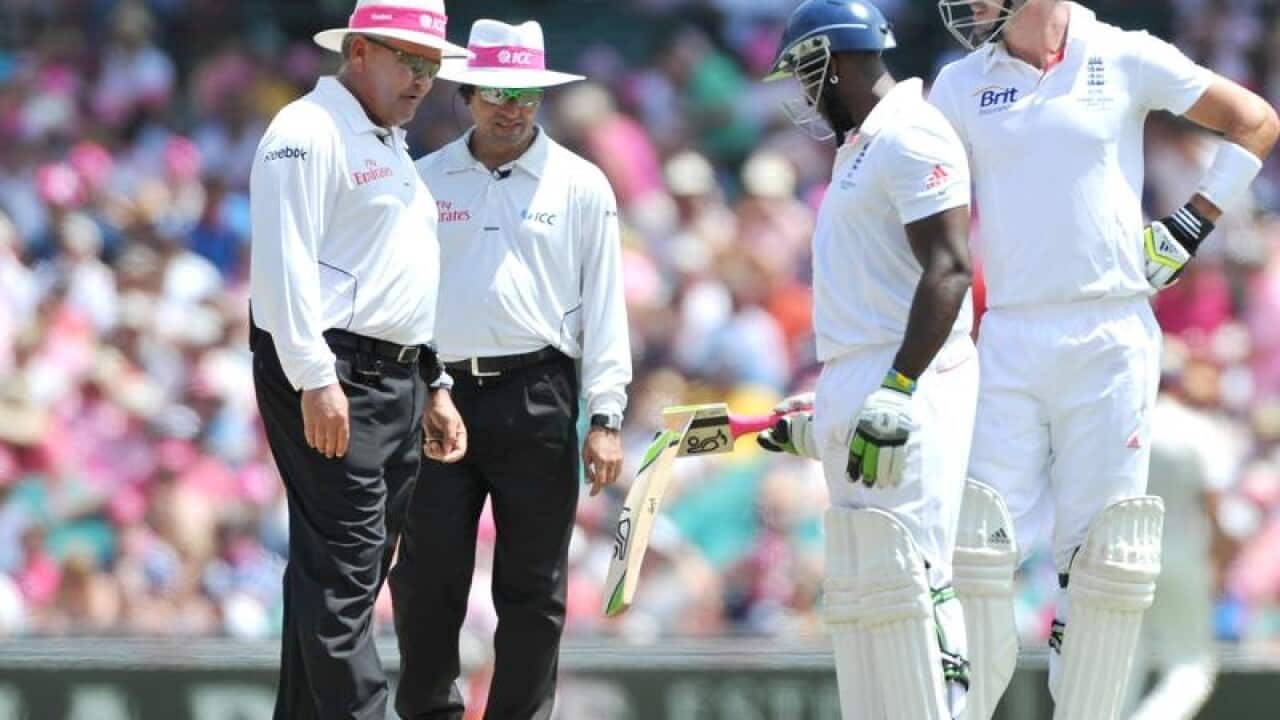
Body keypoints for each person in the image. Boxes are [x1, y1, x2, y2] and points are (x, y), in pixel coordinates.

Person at [929, 2, 1280, 718]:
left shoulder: (1123, 54)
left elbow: (1256, 121)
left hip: (1110, 331)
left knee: (1103, 564)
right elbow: (918, 206)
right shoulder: (959, 85)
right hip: (1008, 337)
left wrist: (1188, 225)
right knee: (977, 545)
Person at [388, 19, 632, 720]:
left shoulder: (581, 186)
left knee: (533, 588)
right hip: (440, 397)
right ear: (466, 92)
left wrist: (607, 415)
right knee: (427, 579)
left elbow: (603, 307)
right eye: (498, 90)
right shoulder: (423, 180)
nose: (512, 107)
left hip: (539, 392)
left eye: (527, 93)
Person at [247, 1, 470, 717]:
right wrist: (315, 378)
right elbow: (280, 270)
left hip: (394, 375)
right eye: (410, 60)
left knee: (348, 571)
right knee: (345, 569)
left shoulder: (385, 139)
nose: (423, 80)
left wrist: (431, 379)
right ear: (360, 50)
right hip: (335, 368)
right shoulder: (307, 131)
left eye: (432, 67)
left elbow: (393, 275)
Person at [756, 1, 978, 717]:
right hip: (865, 374)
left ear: (836, 59)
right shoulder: (860, 148)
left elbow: (948, 270)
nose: (803, 90)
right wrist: (830, 412)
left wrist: (898, 390)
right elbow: (868, 303)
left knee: (912, 577)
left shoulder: (913, 134)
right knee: (860, 588)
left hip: (911, 380)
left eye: (805, 71)